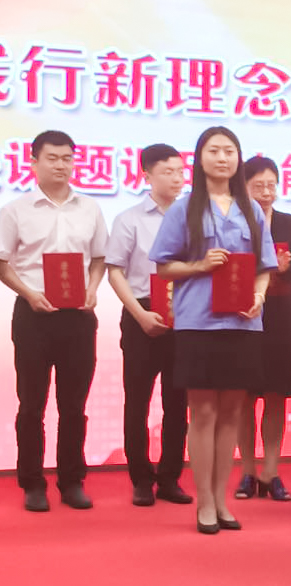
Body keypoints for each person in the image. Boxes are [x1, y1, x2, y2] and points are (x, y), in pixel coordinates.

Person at [149, 126, 278, 534]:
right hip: (198, 322)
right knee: (203, 412)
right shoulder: (184, 208)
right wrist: (200, 266)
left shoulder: (251, 209)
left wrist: (259, 295)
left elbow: (264, 267)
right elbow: (163, 266)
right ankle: (204, 501)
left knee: (233, 412)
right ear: (199, 158)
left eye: (229, 151)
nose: (222, 158)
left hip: (243, 323)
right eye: (214, 151)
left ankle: (222, 500)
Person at [0, 130, 108, 512]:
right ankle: (32, 482)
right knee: (31, 404)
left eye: (67, 158)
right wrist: (30, 293)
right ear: (33, 162)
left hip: (78, 317)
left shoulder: (90, 208)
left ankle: (71, 480)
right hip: (33, 316)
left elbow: (99, 258)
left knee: (74, 405)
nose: (61, 165)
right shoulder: (16, 210)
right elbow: (2, 263)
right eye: (53, 158)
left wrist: (92, 288)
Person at [106, 143, 192, 507]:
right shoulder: (129, 219)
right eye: (168, 172)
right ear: (147, 175)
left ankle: (170, 478)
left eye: (180, 171)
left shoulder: (193, 217)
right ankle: (141, 478)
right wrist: (139, 315)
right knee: (137, 401)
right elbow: (115, 271)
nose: (177, 178)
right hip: (140, 311)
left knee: (178, 402)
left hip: (184, 313)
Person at [235, 156, 291, 500]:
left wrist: (284, 269)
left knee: (277, 394)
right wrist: (262, 266)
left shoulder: (289, 222)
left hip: (282, 314)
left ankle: (271, 471)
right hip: (244, 313)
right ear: (243, 187)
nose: (266, 193)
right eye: (258, 186)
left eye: (271, 185)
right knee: (244, 396)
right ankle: (247, 471)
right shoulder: (234, 222)